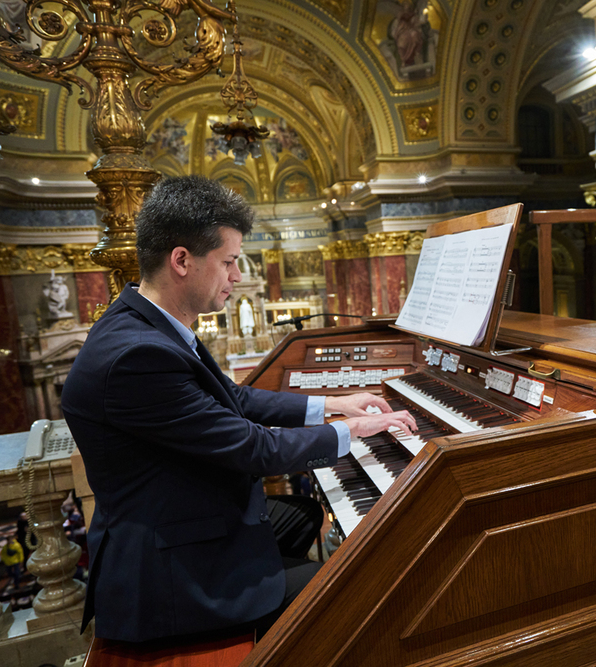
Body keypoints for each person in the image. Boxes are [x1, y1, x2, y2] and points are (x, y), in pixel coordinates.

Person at [61, 175, 416, 644]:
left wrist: (332, 402)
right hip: (167, 572)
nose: (238, 276)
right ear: (182, 260)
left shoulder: (144, 323)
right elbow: (251, 447)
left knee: (303, 513)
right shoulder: (138, 356)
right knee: (352, 592)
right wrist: (353, 429)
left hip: (179, 508)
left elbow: (234, 398)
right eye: (229, 261)